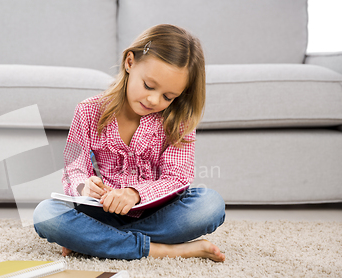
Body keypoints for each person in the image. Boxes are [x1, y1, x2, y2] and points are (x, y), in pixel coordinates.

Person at [32, 24, 226, 262]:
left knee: (210, 204)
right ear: (130, 62)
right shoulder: (88, 111)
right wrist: (85, 187)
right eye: (149, 86)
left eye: (168, 97)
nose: (154, 100)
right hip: (101, 213)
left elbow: (177, 177)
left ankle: (93, 242)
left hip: (157, 213)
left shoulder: (179, 120)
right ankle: (165, 250)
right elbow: (74, 168)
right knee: (45, 214)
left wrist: (134, 194)